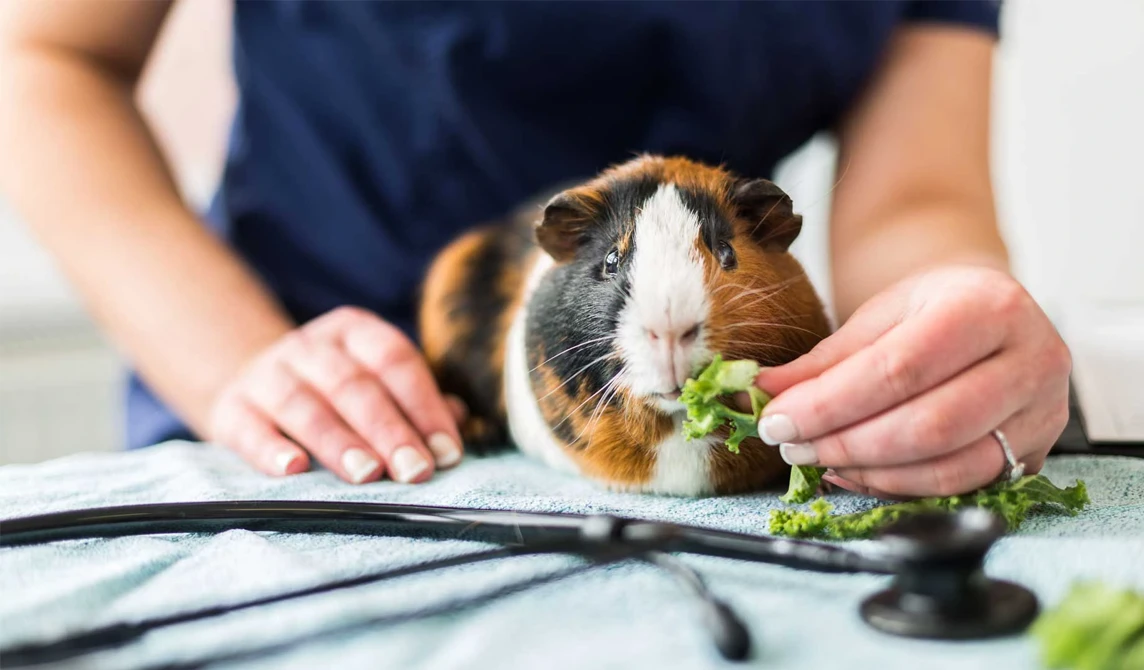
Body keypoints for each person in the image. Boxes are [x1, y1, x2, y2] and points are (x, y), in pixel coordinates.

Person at [0, 1, 1071, 498]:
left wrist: (941, 333)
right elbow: (44, 60)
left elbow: (915, 198)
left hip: (695, 426)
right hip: (294, 413)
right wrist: (235, 358)